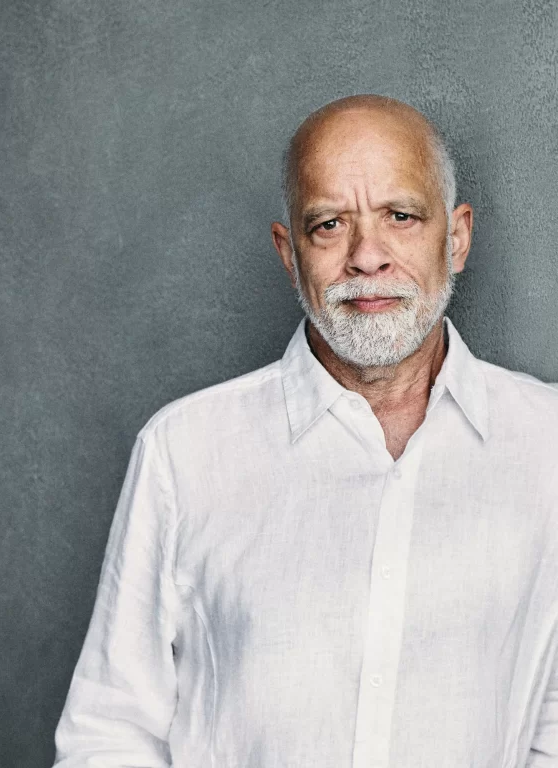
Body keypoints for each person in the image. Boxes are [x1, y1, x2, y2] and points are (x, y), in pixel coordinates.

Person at [53, 95, 558, 767]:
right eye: (329, 224)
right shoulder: (186, 452)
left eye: (400, 217)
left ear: (457, 237)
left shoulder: (546, 445)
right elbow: (110, 734)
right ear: (289, 252)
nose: (366, 257)